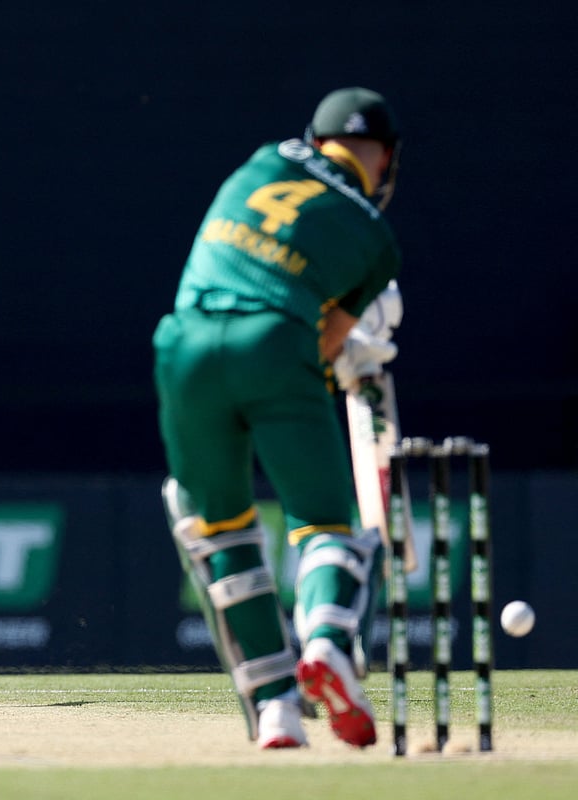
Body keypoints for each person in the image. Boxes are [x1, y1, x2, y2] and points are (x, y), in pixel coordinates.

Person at [153, 87, 404, 749]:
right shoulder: (376, 239)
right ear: (384, 162)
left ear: (316, 141)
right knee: (325, 528)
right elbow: (329, 343)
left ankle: (275, 712)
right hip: (274, 343)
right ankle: (325, 643)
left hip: (183, 343)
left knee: (218, 530)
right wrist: (349, 358)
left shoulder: (263, 162)